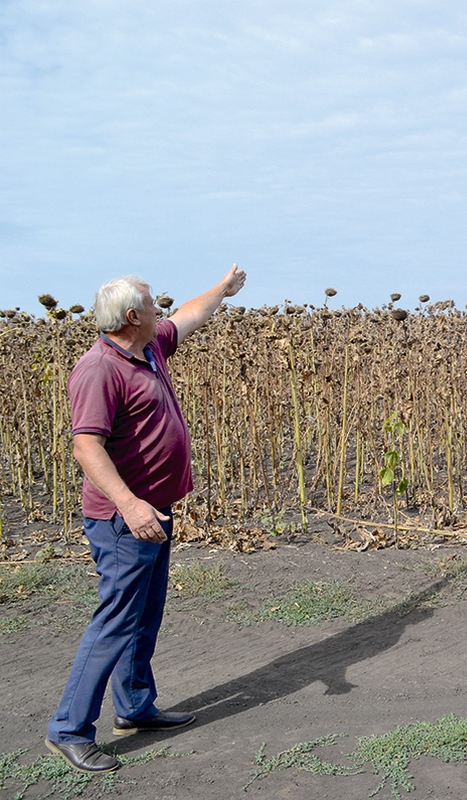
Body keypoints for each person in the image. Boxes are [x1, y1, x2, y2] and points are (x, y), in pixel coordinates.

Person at [45, 265, 247, 773]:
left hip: (156, 512)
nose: (162, 311)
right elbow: (86, 446)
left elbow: (190, 316)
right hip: (124, 520)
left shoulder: (148, 348)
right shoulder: (98, 369)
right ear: (133, 316)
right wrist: (130, 506)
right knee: (116, 620)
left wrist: (222, 289)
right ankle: (68, 729)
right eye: (153, 305)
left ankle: (134, 708)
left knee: (143, 615)